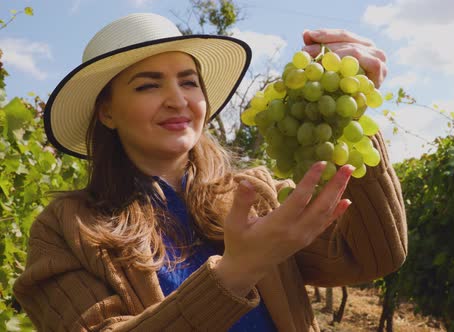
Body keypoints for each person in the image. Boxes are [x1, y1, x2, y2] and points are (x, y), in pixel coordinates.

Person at [13, 12, 407, 331]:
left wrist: (342, 113)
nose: (178, 99)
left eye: (189, 82)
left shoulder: (260, 195)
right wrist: (238, 271)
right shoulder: (63, 231)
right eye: (148, 86)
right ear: (107, 112)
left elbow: (374, 255)